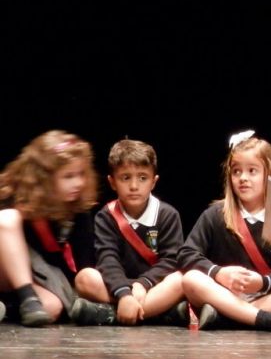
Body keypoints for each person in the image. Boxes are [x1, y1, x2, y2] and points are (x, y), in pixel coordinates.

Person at [179, 131, 271, 331]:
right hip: (222, 294)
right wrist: (219, 273)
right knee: (190, 279)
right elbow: (187, 254)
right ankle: (264, 319)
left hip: (267, 295)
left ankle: (227, 319)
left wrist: (263, 283)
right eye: (236, 172)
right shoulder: (215, 214)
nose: (243, 178)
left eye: (252, 171)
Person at [69, 139, 187, 326]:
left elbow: (171, 260)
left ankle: (110, 313)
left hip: (153, 286)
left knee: (181, 280)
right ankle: (157, 313)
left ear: (154, 182)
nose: (134, 186)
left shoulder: (168, 214)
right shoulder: (106, 216)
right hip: (116, 286)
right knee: (84, 278)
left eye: (142, 178)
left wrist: (143, 283)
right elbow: (107, 259)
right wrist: (124, 293)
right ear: (112, 182)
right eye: (125, 178)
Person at [0, 130, 98, 326]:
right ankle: (27, 298)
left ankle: (8, 307)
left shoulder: (77, 211)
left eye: (81, 174)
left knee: (51, 307)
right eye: (68, 176)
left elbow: (82, 264)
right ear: (44, 178)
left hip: (33, 277)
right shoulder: (11, 196)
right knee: (7, 219)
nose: (78, 183)